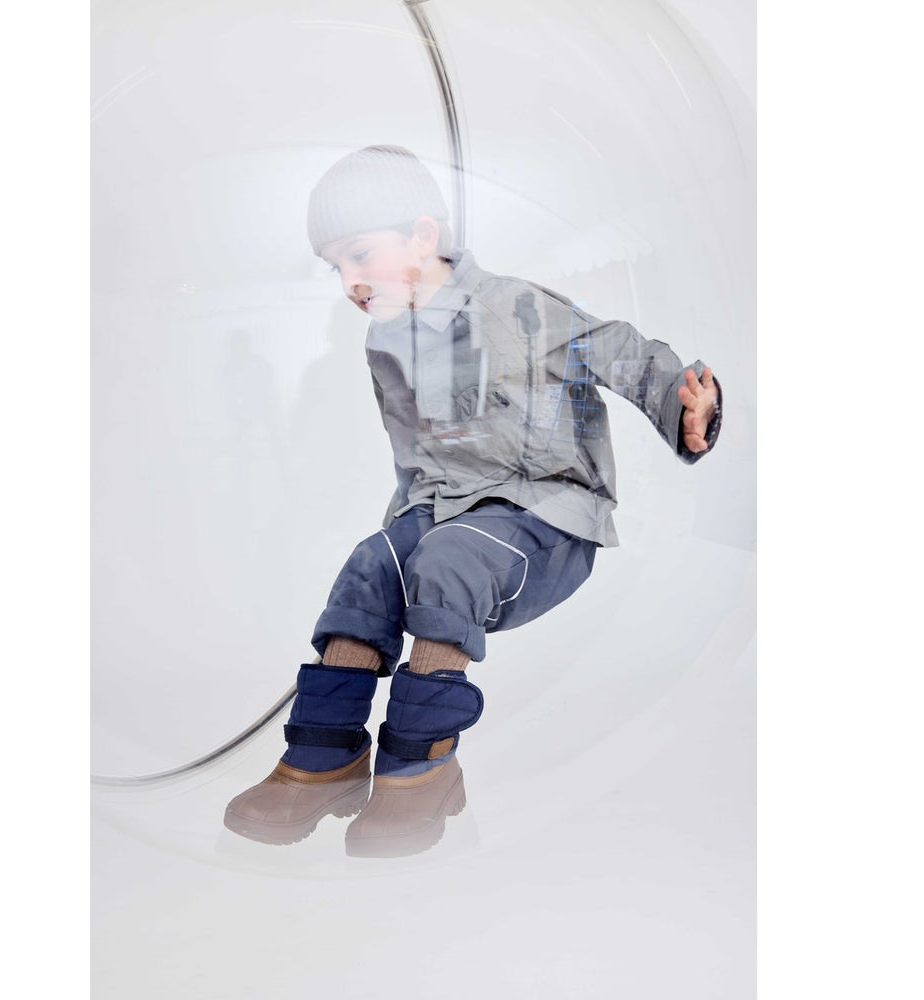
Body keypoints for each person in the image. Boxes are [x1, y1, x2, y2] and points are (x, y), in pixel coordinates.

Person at [223, 145, 721, 856]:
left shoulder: (515, 307)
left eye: (360, 254)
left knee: (451, 560)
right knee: (370, 567)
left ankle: (419, 769)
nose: (350, 281)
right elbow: (413, 456)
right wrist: (395, 547)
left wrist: (684, 401)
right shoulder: (387, 341)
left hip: (545, 514)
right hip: (447, 507)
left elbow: (615, 347)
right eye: (335, 267)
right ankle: (323, 757)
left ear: (423, 237)